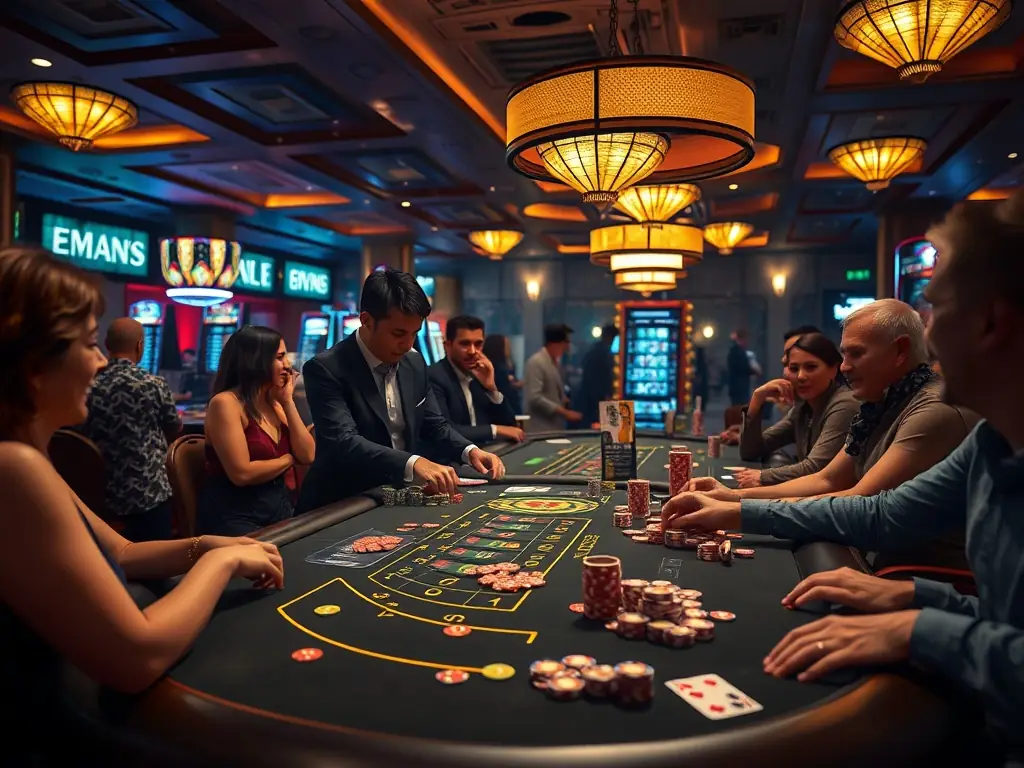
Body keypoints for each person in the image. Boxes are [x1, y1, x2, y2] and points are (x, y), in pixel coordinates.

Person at [662, 191, 1024, 765]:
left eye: (937, 307)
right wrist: (919, 598)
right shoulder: (992, 439)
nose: (930, 334)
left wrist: (919, 629)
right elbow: (881, 514)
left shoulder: (938, 412)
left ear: (991, 322)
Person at [0, 246, 284, 765]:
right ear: (36, 364)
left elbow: (124, 552)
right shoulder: (11, 469)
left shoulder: (25, 458)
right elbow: (137, 656)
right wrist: (221, 564)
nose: (101, 361)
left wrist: (206, 544)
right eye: (88, 343)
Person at [693, 300, 976, 504]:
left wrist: (739, 509)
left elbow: (858, 502)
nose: (845, 367)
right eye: (845, 354)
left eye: (856, 354)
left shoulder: (930, 409)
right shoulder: (880, 402)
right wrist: (733, 497)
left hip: (911, 571)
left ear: (900, 351)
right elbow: (827, 480)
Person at [299, 269, 505, 512]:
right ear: (366, 320)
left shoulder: (414, 362)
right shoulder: (325, 368)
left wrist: (469, 450)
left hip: (395, 499)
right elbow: (344, 443)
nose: (407, 344)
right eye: (398, 334)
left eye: (414, 334)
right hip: (341, 504)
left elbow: (434, 423)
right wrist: (413, 462)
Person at [198, 326, 315, 536]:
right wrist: (289, 459)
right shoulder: (225, 403)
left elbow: (307, 455)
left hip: (279, 511)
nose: (288, 366)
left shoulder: (276, 403)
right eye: (280, 357)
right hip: (236, 517)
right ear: (255, 361)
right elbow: (241, 473)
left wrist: (288, 402)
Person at [79, 318, 181, 541]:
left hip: (99, 496)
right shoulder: (153, 383)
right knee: (157, 566)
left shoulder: (88, 385)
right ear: (140, 346)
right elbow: (174, 427)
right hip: (149, 494)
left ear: (106, 345)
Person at [736, 333, 858, 487]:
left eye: (811, 367)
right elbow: (751, 451)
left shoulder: (844, 404)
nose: (800, 376)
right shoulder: (803, 407)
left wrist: (762, 476)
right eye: (794, 368)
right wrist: (757, 399)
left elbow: (815, 468)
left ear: (834, 369)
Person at [428, 315, 522, 444]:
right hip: (450, 460)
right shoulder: (434, 376)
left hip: (485, 454)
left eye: (478, 344)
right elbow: (445, 431)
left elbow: (510, 426)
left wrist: (491, 389)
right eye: (465, 344)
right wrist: (494, 430)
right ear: (447, 345)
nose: (473, 351)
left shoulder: (479, 374)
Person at [524, 323, 582, 433]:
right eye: (566, 342)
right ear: (556, 343)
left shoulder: (553, 362)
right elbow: (534, 397)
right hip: (540, 429)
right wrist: (564, 412)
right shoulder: (537, 362)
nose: (568, 347)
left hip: (553, 427)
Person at [575, 324, 618, 425]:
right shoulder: (605, 353)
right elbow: (606, 378)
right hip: (597, 400)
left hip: (587, 400)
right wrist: (608, 397)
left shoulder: (592, 350)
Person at [484, 333, 521, 413]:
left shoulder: (509, 364)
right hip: (501, 406)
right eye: (506, 345)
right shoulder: (494, 368)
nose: (509, 348)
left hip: (513, 405)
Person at [727, 328, 761, 406]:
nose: (748, 341)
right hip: (739, 388)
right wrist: (755, 371)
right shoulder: (738, 352)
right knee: (740, 409)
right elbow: (742, 368)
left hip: (737, 387)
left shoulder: (735, 351)